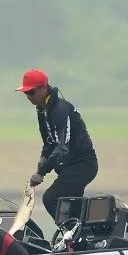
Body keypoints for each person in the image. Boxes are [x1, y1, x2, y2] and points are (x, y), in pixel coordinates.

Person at [16, 68, 98, 218]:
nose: (28, 97)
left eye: (31, 92)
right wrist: (42, 159)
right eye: (25, 93)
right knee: (69, 207)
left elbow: (62, 148)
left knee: (51, 199)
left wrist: (41, 173)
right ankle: (77, 236)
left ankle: (72, 236)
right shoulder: (42, 110)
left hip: (83, 165)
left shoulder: (60, 109)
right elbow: (49, 143)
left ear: (43, 88)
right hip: (66, 167)